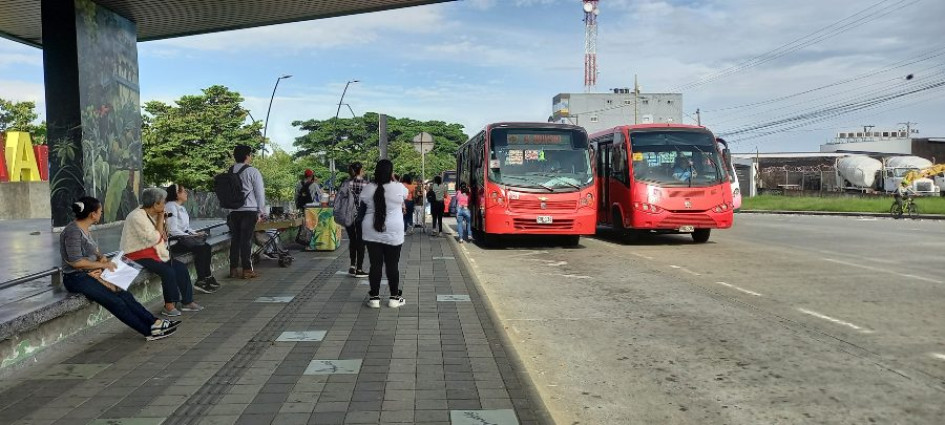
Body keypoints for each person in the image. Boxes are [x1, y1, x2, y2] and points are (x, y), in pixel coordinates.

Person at [61, 197, 179, 341]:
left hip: (90, 272)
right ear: (92, 214)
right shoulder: (72, 231)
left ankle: (155, 323)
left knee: (123, 294)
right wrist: (104, 265)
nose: (101, 214)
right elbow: (75, 262)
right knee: (115, 302)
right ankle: (148, 331)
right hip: (76, 278)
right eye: (100, 211)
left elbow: (92, 251)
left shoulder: (84, 228)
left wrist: (101, 258)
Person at [121, 187, 204, 317]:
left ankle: (187, 302)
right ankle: (169, 306)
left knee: (180, 268)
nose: (165, 205)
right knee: (168, 271)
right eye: (163, 202)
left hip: (154, 252)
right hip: (136, 254)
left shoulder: (153, 213)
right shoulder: (137, 216)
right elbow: (155, 238)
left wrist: (163, 221)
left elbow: (164, 237)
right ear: (155, 204)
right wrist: (160, 219)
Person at [360, 159, 409, 308]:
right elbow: (405, 196)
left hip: (371, 230)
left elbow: (362, 207)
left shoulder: (368, 188)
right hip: (393, 231)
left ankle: (374, 298)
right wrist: (393, 179)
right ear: (391, 172)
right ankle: (394, 298)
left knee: (375, 265)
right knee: (392, 265)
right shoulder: (399, 187)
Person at [165, 184, 219, 293]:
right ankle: (201, 280)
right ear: (177, 194)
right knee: (202, 248)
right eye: (183, 191)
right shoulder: (171, 207)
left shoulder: (181, 207)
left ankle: (207, 277)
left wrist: (196, 233)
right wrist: (191, 236)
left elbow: (186, 228)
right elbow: (172, 230)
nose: (186, 194)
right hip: (175, 242)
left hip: (183, 239)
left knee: (206, 246)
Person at [227, 145, 267, 279]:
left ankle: (233, 269)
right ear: (247, 156)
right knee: (246, 240)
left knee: (235, 240)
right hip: (249, 211)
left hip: (233, 211)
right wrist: (261, 211)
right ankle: (247, 270)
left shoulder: (230, 171)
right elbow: (260, 193)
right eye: (250, 155)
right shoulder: (252, 171)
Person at [341, 162, 368, 278]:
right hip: (361, 216)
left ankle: (352, 265)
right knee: (361, 241)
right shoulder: (365, 184)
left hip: (348, 216)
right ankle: (360, 269)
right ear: (360, 170)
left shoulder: (345, 184)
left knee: (352, 240)